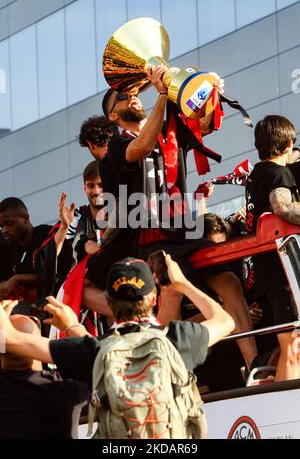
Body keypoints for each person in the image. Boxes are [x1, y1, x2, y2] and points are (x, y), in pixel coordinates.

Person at [83, 65, 257, 371]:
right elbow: (142, 147)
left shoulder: (168, 131)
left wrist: (205, 86)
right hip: (151, 236)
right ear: (113, 116)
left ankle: (254, 367)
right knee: (171, 293)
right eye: (123, 97)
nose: (133, 98)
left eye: (136, 93)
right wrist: (163, 95)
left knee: (229, 282)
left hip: (185, 230)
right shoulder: (117, 148)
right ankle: (173, 374)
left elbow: (204, 124)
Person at [0, 255, 234, 438]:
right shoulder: (178, 339)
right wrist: (182, 284)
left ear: (108, 301)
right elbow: (225, 320)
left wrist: (5, 308)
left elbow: (10, 340)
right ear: (153, 298)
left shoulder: (92, 351)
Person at [245, 114, 300, 381]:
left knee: (288, 347)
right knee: (293, 346)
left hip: (268, 272)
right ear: (289, 143)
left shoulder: (256, 175)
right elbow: (283, 207)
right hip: (283, 273)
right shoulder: (279, 172)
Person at [0, 307, 89, 439]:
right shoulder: (67, 389)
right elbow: (97, 357)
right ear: (40, 343)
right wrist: (71, 326)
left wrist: (4, 335)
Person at [0, 196, 73, 303]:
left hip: (59, 301)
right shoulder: (11, 249)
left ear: (25, 219)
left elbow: (53, 275)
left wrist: (17, 278)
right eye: (1, 226)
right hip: (28, 309)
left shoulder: (47, 234)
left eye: (9, 224)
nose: (5, 230)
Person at [66, 161, 106, 264]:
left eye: (101, 185)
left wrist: (99, 249)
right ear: (85, 189)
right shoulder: (75, 219)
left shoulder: (121, 215)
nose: (96, 191)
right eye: (91, 186)